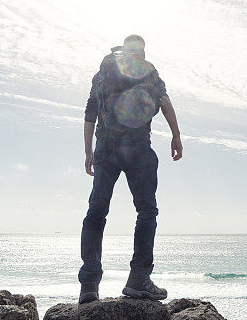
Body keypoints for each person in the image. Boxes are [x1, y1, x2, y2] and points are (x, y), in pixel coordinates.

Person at [78, 34, 183, 304]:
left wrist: (89, 150)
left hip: (105, 147)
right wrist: (176, 136)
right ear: (143, 51)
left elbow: (90, 110)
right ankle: (138, 279)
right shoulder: (148, 70)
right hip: (137, 148)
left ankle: (89, 285)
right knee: (146, 210)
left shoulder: (104, 71)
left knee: (97, 210)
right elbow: (164, 102)